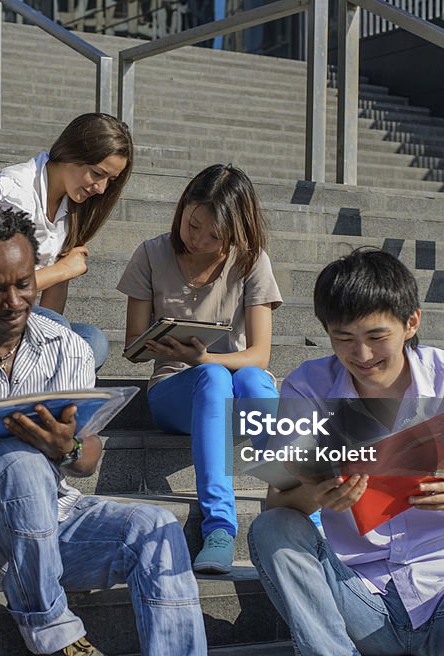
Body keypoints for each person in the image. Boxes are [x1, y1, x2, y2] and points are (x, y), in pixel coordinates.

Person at [0, 206, 207, 656]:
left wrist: (66, 447)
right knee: (17, 459)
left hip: (51, 524)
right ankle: (55, 636)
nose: (13, 302)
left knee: (155, 526)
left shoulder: (66, 346)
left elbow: (89, 459)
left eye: (24, 284)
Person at [248, 248, 444, 656]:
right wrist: (319, 495)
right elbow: (276, 501)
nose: (361, 356)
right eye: (343, 339)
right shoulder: (308, 387)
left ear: (411, 322)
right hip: (359, 598)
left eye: (376, 337)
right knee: (272, 528)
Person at [116, 164, 282, 574]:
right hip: (174, 390)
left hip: (236, 391)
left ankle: (306, 507)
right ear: (183, 208)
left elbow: (260, 354)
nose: (200, 241)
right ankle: (220, 528)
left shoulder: (251, 261)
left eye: (215, 236)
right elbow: (132, 348)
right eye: (194, 226)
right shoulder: (152, 254)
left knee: (253, 378)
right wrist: (162, 344)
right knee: (212, 378)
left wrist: (206, 357)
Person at [0, 112, 134, 370]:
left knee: (91, 342)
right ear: (72, 152)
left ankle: (23, 382)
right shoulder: (12, 191)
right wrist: (62, 270)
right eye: (97, 174)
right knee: (58, 332)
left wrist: (50, 326)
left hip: (7, 312)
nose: (101, 188)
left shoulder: (73, 207)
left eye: (111, 180)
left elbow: (51, 309)